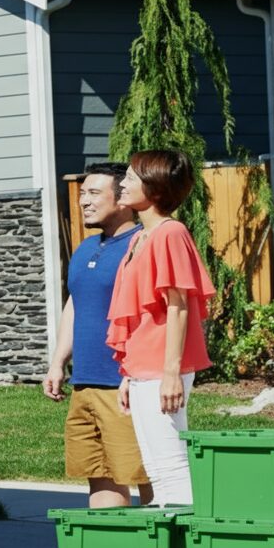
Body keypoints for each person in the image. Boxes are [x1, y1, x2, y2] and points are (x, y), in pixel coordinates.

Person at [107, 149, 215, 505]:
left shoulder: (171, 233)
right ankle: (168, 540)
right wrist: (129, 374)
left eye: (131, 178)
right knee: (155, 464)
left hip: (162, 369)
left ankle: (185, 546)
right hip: (143, 370)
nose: (122, 184)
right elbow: (142, 313)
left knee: (170, 463)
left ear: (153, 188)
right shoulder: (140, 238)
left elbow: (179, 305)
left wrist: (171, 373)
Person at [43, 163, 153, 508]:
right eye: (82, 194)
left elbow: (157, 315)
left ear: (122, 199)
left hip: (126, 387)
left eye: (93, 193)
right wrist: (59, 361)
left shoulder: (142, 244)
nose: (83, 202)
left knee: (149, 475)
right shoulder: (85, 249)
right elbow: (76, 303)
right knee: (101, 476)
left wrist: (137, 376)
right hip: (86, 383)